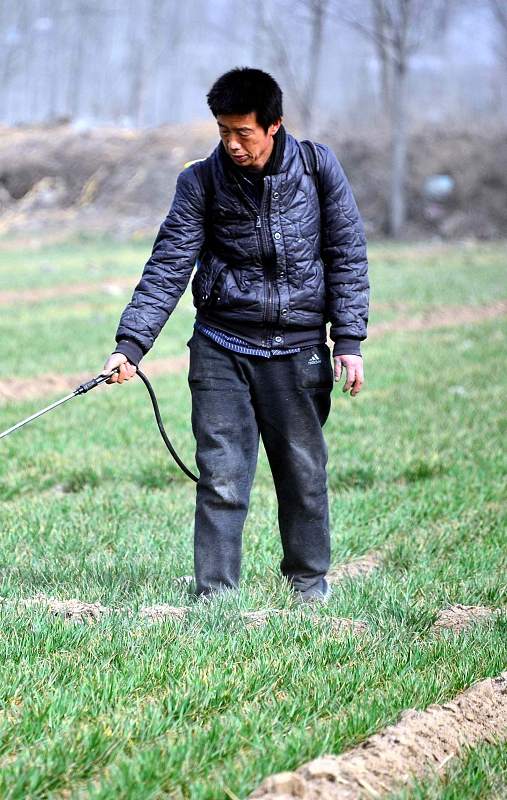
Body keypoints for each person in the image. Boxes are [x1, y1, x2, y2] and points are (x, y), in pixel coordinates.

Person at [102, 68, 369, 601]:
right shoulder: (200, 180)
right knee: (222, 477)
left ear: (274, 126)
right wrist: (130, 345)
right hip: (221, 347)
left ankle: (308, 588)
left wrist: (350, 341)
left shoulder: (317, 168)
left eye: (242, 132)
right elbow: (168, 265)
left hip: (298, 351)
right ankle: (216, 600)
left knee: (303, 477)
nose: (231, 143)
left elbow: (347, 253)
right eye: (223, 131)